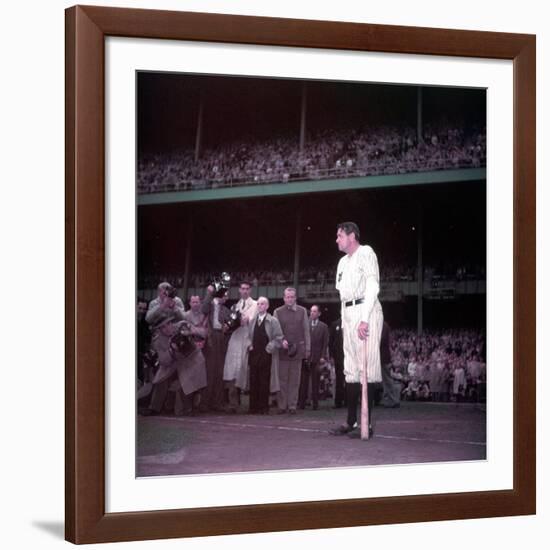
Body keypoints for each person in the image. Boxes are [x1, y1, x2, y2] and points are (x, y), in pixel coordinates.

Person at [329, 221, 384, 438]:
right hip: (348, 313)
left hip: (366, 310)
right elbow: (343, 297)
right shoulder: (342, 262)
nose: (337, 240)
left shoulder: (366, 252)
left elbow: (373, 286)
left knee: (366, 367)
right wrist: (345, 322)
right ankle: (351, 422)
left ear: (352, 236)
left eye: (339, 235)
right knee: (350, 369)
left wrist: (364, 319)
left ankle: (366, 424)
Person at [238, 296, 283, 414]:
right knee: (253, 381)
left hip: (266, 355)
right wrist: (249, 345)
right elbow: (247, 336)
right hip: (254, 354)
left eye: (262, 304)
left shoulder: (273, 321)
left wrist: (269, 348)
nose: (260, 306)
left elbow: (279, 338)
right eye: (258, 304)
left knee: (264, 381)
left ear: (267, 306)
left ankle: (263, 408)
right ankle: (253, 407)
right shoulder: (252, 321)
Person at [273, 287, 311, 414]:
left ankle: (292, 406)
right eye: (287, 297)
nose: (289, 299)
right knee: (282, 380)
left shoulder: (303, 311)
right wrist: (281, 340)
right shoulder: (277, 312)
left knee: (295, 380)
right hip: (283, 351)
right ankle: (282, 406)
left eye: (292, 297)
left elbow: (306, 330)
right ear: (284, 298)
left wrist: (307, 348)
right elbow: (275, 331)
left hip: (298, 351)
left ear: (295, 298)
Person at [223, 282, 258, 413]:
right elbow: (231, 323)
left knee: (244, 372)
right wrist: (227, 326)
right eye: (242, 289)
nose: (244, 291)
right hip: (235, 340)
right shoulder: (234, 306)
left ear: (250, 290)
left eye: (247, 289)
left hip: (248, 340)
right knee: (232, 371)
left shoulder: (255, 305)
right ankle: (233, 403)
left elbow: (253, 320)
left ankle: (252, 404)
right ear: (239, 290)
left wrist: (246, 320)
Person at [200, 285, 231, 412]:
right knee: (209, 371)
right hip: (211, 338)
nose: (227, 297)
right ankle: (204, 403)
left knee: (219, 372)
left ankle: (217, 403)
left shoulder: (226, 310)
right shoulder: (210, 304)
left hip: (221, 338)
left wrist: (228, 326)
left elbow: (230, 322)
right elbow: (203, 309)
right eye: (226, 295)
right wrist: (209, 293)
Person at [298, 305, 329, 410]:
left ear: (319, 313)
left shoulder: (324, 327)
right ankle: (301, 403)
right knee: (303, 382)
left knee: (315, 382)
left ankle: (315, 404)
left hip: (317, 358)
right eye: (311, 311)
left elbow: (325, 344)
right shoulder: (305, 325)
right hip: (305, 357)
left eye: (314, 311)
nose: (312, 313)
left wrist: (323, 356)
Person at [380, 321, 400, 408]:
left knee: (387, 379)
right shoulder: (382, 324)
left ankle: (394, 400)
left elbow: (382, 339)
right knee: (384, 380)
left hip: (383, 356)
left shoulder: (383, 325)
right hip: (381, 356)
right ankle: (387, 399)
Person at [329, 317, 346, 408]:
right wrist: (331, 356)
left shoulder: (353, 321)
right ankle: (338, 402)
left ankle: (348, 401)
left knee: (350, 380)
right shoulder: (335, 324)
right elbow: (330, 341)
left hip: (350, 357)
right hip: (338, 357)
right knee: (339, 379)